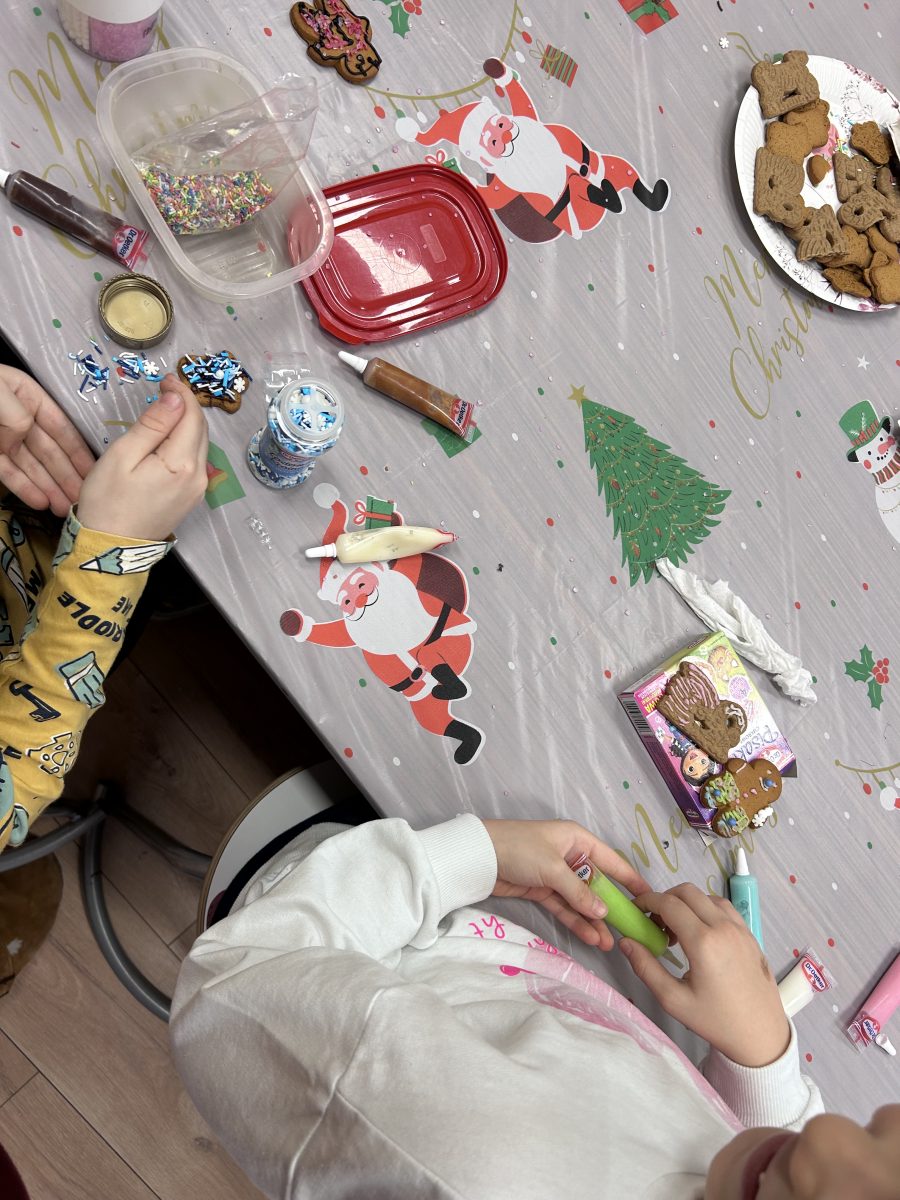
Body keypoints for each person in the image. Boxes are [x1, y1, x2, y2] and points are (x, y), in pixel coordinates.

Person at [170, 815, 900, 1199]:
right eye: (881, 1134)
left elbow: (232, 980)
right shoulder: (776, 1169)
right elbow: (777, 1150)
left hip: (322, 910)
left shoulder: (466, 1160)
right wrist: (762, 1057)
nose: (829, 1138)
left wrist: (467, 857)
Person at [0, 363, 209, 850]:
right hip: (56, 622)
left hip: (30, 495)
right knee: (170, 577)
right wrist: (109, 562)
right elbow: (20, 776)